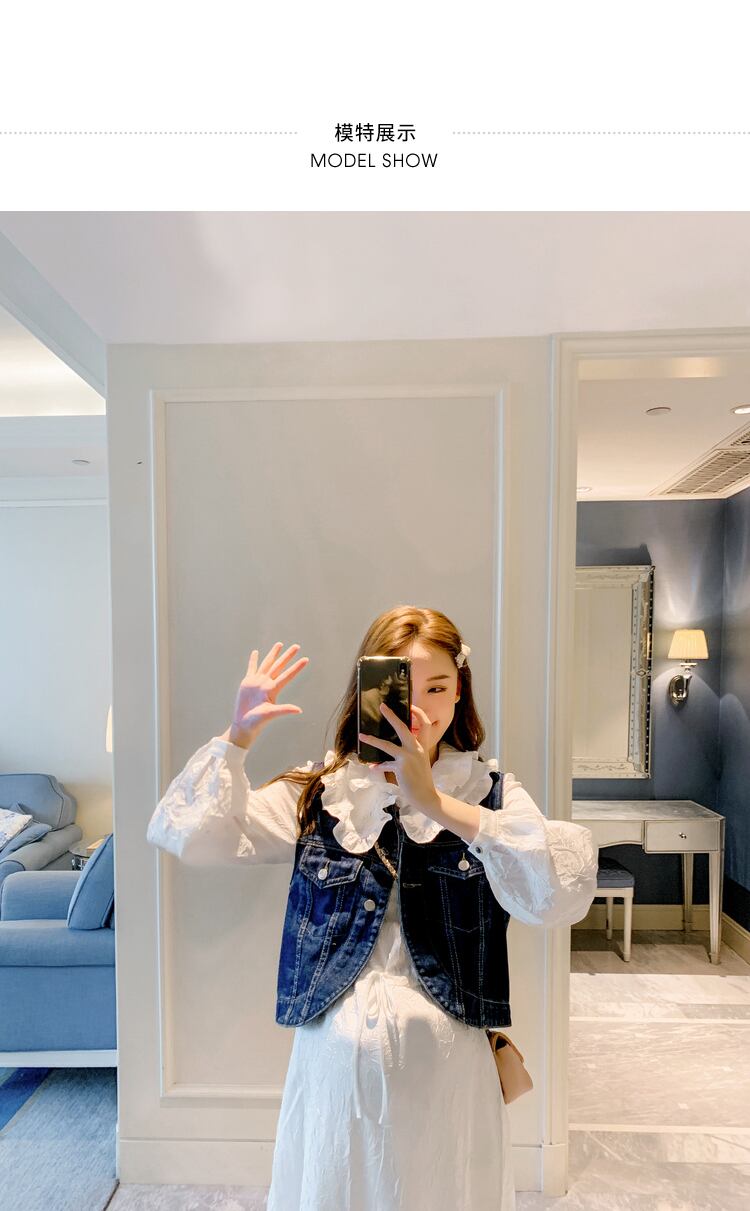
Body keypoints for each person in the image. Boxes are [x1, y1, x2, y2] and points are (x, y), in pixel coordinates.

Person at [146, 605, 599, 1211]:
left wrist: (435, 803)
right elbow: (195, 838)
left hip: (447, 1080)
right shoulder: (323, 794)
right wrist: (236, 739)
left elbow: (559, 890)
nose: (421, 710)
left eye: (437, 687)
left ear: (459, 690)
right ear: (369, 693)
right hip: (334, 1077)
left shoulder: (488, 795)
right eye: (402, 689)